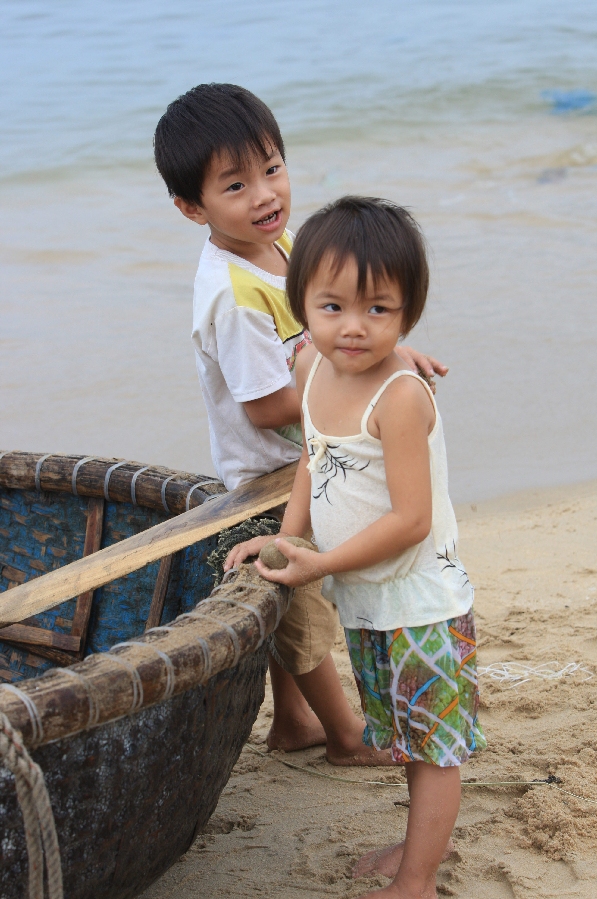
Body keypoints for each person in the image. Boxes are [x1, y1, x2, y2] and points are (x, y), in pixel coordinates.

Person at [154, 84, 448, 766]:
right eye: (235, 185)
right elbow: (264, 405)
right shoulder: (231, 294)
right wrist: (364, 384)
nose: (264, 195)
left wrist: (389, 354)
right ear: (191, 207)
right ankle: (346, 736)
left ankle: (290, 720)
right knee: (303, 603)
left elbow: (327, 332)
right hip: (268, 471)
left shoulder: (280, 243)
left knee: (292, 597)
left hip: (308, 453)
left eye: (272, 168)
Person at [225, 196, 486, 898]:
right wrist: (287, 536)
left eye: (379, 309)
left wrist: (322, 563)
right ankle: (415, 847)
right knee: (404, 732)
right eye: (332, 306)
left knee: (433, 748)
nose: (353, 326)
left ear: (409, 312)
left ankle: (418, 879)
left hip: (419, 600)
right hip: (368, 597)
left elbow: (410, 519)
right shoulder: (312, 367)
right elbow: (312, 454)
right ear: (301, 303)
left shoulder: (400, 395)